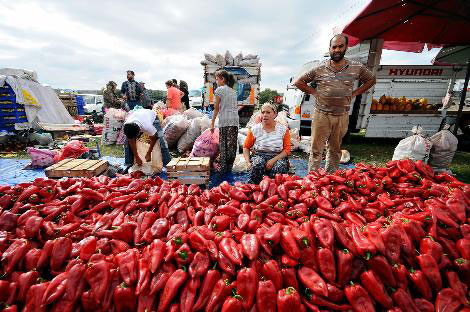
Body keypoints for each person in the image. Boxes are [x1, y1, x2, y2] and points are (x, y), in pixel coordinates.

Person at [294, 34, 376, 172]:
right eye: (334, 47)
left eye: (340, 46)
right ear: (330, 49)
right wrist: (314, 92)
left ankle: (330, 178)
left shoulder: (356, 67)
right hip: (321, 115)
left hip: (342, 116)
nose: (337, 49)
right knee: (316, 150)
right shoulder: (319, 68)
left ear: (346, 47)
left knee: (335, 150)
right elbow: (299, 82)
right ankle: (313, 179)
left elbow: (371, 79)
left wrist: (355, 93)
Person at [243, 103, 291, 184]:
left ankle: (273, 190)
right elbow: (246, 147)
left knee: (279, 168)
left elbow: (287, 150)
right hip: (259, 155)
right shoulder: (255, 129)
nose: (265, 115)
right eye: (263, 112)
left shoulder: (283, 130)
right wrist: (248, 162)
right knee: (257, 164)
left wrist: (273, 160)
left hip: (278, 156)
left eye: (268, 112)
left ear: (275, 114)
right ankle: (256, 188)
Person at [210, 70, 239, 175]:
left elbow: (216, 108)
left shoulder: (219, 90)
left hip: (225, 122)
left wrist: (212, 123)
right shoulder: (233, 91)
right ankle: (229, 170)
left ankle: (223, 171)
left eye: (217, 79)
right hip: (234, 122)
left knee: (224, 148)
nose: (216, 81)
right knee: (232, 147)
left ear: (222, 79)